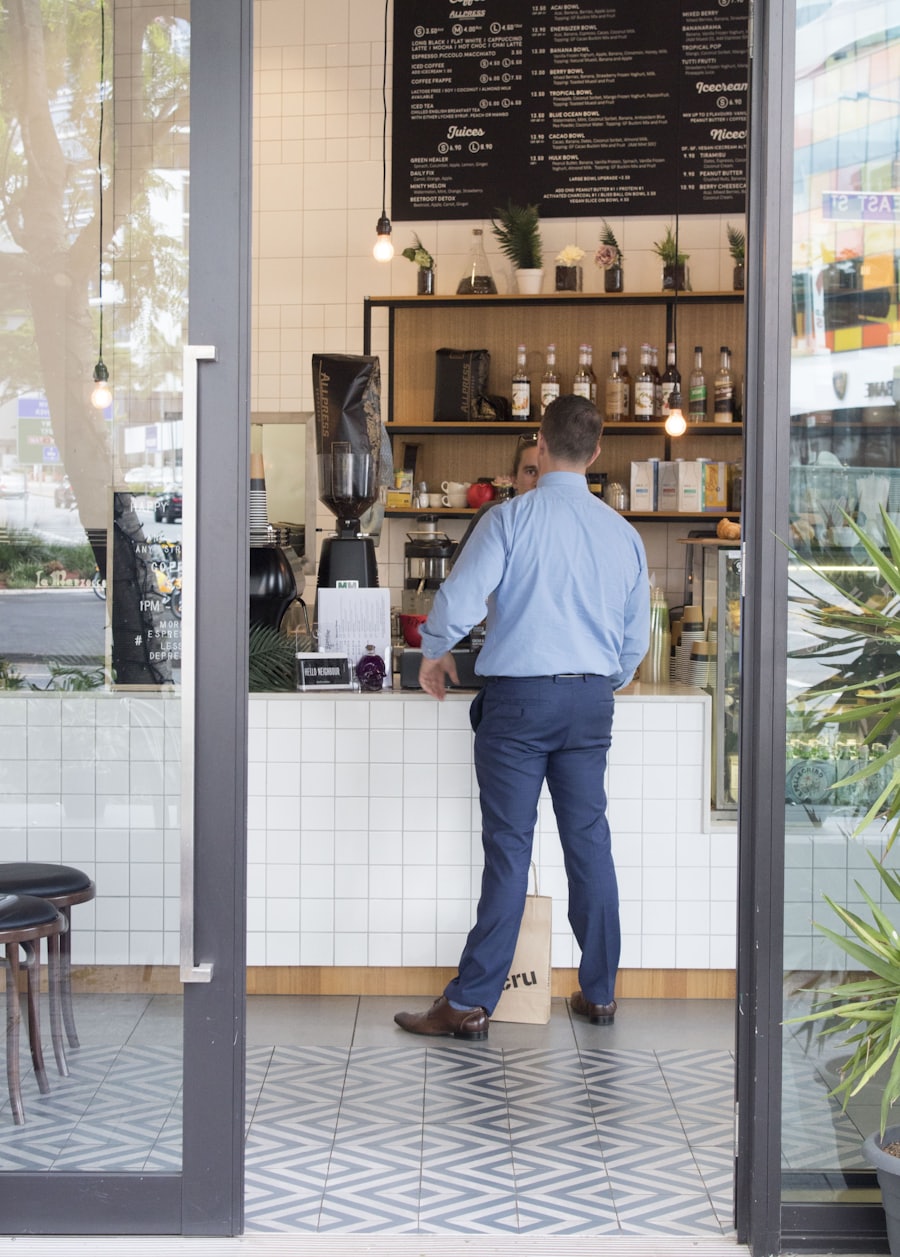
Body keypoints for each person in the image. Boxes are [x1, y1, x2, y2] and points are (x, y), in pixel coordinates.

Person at [394, 395, 650, 1042]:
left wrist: (435, 652)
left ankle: (471, 1002)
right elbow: (634, 641)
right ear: (595, 453)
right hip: (591, 702)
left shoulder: (510, 519)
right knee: (589, 843)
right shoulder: (624, 535)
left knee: (510, 851)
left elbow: (456, 600)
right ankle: (600, 993)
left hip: (519, 704)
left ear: (538, 443)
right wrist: (599, 682)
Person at [449, 436, 539, 567]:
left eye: (546, 473)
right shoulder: (494, 514)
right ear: (514, 479)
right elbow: (458, 573)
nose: (539, 481)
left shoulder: (568, 519)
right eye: (531, 472)